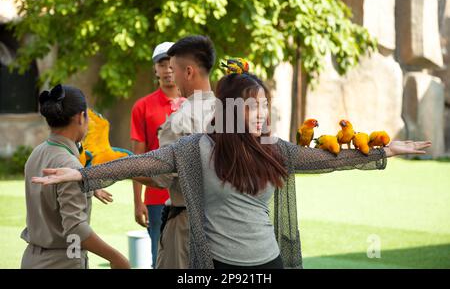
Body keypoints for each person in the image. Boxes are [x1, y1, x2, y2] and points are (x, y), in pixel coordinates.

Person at [31, 65, 432, 269]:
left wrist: (384, 152)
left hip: (268, 261)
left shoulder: (274, 149)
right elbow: (142, 161)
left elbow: (329, 159)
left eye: (263, 104)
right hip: (219, 266)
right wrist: (83, 173)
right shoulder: (194, 149)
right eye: (251, 105)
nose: (261, 113)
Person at [21, 84, 130, 269]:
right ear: (80, 117)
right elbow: (75, 228)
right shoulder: (70, 164)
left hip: (32, 259)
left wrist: (88, 186)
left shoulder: (37, 153)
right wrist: (116, 258)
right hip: (62, 261)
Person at [138, 35, 216, 269]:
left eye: (173, 69)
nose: (171, 75)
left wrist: (119, 164)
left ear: (189, 72)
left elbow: (159, 178)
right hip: (224, 226)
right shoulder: (232, 113)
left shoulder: (180, 120)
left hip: (185, 226)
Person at [130, 41, 184, 268]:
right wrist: (137, 202)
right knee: (159, 258)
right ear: (155, 69)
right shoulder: (142, 106)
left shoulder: (193, 103)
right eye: (162, 64)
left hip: (189, 196)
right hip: (156, 198)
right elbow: (137, 159)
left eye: (172, 63)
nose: (168, 69)